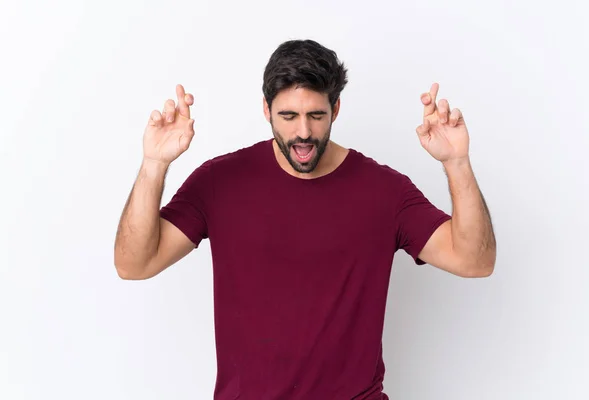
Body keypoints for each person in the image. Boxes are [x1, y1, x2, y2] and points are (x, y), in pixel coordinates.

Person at [114, 39, 496, 400]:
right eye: (288, 115)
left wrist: (457, 163)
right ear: (266, 110)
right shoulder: (219, 182)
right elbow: (134, 264)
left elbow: (474, 261)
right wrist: (154, 165)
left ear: (336, 109)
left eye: (316, 115)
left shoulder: (385, 191)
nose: (303, 132)